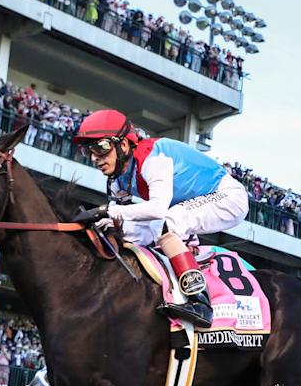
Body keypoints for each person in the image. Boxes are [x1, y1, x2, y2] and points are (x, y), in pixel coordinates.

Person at [71, 109, 249, 327]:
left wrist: (108, 211)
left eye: (101, 148)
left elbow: (156, 210)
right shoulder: (118, 180)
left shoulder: (152, 158)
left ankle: (200, 302)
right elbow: (123, 223)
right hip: (187, 204)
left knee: (168, 222)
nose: (94, 158)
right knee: (128, 231)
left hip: (227, 197)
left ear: (124, 145)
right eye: (88, 151)